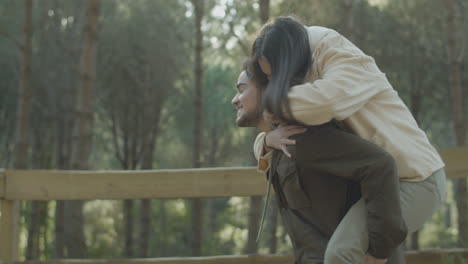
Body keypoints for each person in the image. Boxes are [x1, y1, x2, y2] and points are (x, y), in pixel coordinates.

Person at [250, 16, 446, 264]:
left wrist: (378, 252)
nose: (275, 83)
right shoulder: (301, 72)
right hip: (379, 185)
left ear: (287, 56)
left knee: (342, 254)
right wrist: (268, 139)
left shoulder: (338, 55)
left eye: (275, 75)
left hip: (416, 178)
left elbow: (328, 100)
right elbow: (270, 126)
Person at [232, 63, 406, 264]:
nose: (234, 100)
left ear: (266, 89)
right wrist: (268, 140)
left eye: (242, 90)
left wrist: (379, 253)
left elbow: (380, 164)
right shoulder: (278, 144)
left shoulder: (305, 134)